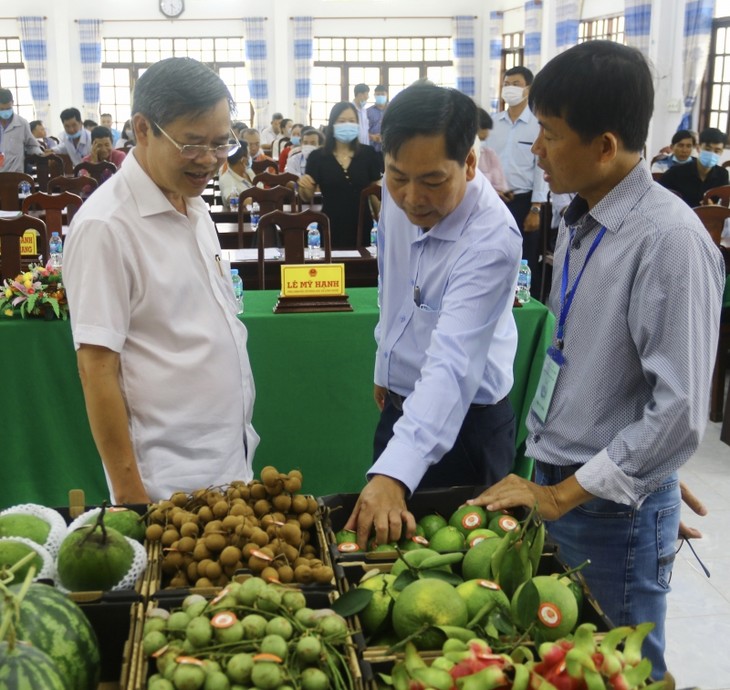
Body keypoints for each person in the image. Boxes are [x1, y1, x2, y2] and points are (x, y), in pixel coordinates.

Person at [467, 41, 724, 678]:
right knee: (572, 664)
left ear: (605, 146)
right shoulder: (584, 217)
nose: (536, 150)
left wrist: (567, 496)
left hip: (602, 509)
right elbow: (611, 371)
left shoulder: (669, 241)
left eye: (550, 135)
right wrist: (643, 465)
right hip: (588, 481)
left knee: (623, 668)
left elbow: (682, 412)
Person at [63, 57, 259, 504]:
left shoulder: (196, 207)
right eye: (192, 144)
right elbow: (96, 370)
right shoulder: (107, 226)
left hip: (228, 465)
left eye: (220, 143)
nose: (209, 161)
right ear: (143, 129)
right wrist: (134, 502)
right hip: (165, 487)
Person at [343, 83, 522, 550]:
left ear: (468, 163)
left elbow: (453, 365)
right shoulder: (401, 189)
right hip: (403, 409)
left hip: (468, 427)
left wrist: (394, 473)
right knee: (388, 559)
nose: (412, 197)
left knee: (464, 570)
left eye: (432, 181)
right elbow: (396, 284)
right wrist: (388, 364)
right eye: (397, 176)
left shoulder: (491, 241)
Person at [489, 66, 549, 293]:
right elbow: (483, 162)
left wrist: (536, 208)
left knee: (524, 261)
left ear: (528, 89)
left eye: (515, 84)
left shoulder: (538, 125)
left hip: (523, 203)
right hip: (493, 202)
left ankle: (524, 308)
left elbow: (540, 169)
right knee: (492, 257)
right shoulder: (493, 124)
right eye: (506, 84)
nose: (509, 89)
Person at [298, 101, 381, 247]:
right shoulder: (318, 157)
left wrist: (382, 220)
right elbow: (307, 196)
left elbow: (375, 193)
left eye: (352, 121)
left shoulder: (368, 154)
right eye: (342, 121)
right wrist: (304, 185)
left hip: (363, 225)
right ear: (332, 125)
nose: (347, 125)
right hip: (330, 224)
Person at [659, 127, 729, 207]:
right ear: (698, 148)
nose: (712, 154)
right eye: (708, 149)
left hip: (709, 218)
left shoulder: (722, 174)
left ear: (722, 152)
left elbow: (723, 205)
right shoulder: (676, 172)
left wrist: (713, 207)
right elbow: (658, 195)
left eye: (717, 151)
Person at [0, 88, 41, 172]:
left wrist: (40, 153)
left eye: (8, 108)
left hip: (16, 174)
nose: (5, 112)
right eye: (1, 109)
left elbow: (32, 145)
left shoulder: (22, 123)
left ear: (13, 103)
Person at [476, 108, 508, 194]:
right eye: (478, 140)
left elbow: (501, 186)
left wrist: (500, 193)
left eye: (483, 140)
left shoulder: (489, 155)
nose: (479, 145)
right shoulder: (455, 158)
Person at [219, 141, 255, 210]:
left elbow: (261, 188)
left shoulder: (249, 171)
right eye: (248, 155)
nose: (249, 158)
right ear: (243, 160)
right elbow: (230, 199)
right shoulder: (226, 178)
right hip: (242, 217)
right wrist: (257, 200)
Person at [367, 85, 387, 159]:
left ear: (386, 95)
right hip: (372, 149)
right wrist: (372, 137)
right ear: (374, 95)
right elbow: (363, 131)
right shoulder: (368, 112)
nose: (380, 96)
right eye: (378, 94)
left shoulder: (391, 111)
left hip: (388, 149)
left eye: (382, 94)